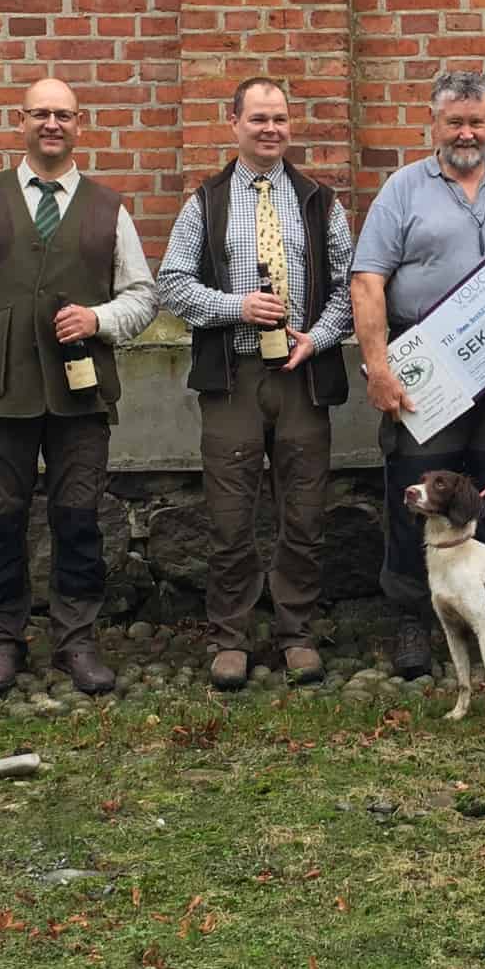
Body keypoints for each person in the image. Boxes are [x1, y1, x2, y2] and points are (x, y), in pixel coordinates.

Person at [0, 76, 157, 697]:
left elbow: (143, 296)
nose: (51, 124)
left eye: (63, 115)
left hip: (80, 395)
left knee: (79, 516)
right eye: (40, 114)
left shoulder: (109, 207)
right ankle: (2, 638)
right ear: (20, 121)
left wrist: (99, 319)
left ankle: (76, 640)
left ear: (80, 125)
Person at [353, 69, 485, 680]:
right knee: (416, 496)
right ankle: (413, 622)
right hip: (425, 370)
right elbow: (368, 281)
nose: (467, 132)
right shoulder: (402, 190)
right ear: (435, 124)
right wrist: (377, 366)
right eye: (455, 122)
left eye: (477, 121)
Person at [156, 77, 354, 689]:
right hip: (234, 376)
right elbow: (171, 284)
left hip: (302, 375)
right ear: (234, 123)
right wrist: (235, 307)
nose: (271, 130)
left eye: (281, 120)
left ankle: (296, 631)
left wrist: (316, 339)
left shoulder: (321, 201)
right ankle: (231, 637)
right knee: (230, 512)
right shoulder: (206, 203)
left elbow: (352, 286)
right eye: (258, 119)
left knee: (304, 509)